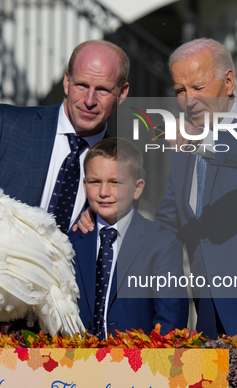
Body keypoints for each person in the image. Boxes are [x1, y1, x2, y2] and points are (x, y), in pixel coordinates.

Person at [76, 38, 237, 370]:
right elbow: (166, 225)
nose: (189, 100)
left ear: (228, 82)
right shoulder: (185, 153)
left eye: (198, 86)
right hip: (212, 322)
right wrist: (106, 216)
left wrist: (205, 141)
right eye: (180, 90)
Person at [0, 40, 130, 337]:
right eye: (81, 85)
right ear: (66, 81)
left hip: (60, 336)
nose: (89, 100)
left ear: (122, 93)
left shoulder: (124, 167)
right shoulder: (8, 125)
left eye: (103, 90)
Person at [68, 138, 188, 338]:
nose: (104, 192)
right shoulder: (70, 242)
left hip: (140, 364)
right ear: (84, 185)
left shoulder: (161, 243)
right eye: (95, 182)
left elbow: (171, 320)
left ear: (137, 188)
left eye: (115, 182)